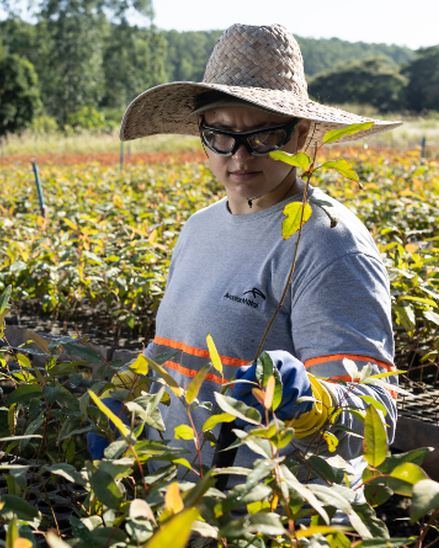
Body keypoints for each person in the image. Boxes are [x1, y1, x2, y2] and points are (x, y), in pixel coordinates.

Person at [90, 24, 401, 492]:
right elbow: (172, 348)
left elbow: (375, 416)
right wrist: (128, 394)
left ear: (300, 134)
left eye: (261, 135)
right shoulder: (198, 228)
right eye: (221, 134)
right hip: (182, 500)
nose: (238, 155)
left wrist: (312, 401)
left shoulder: (330, 243)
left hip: (275, 517)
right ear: (203, 133)